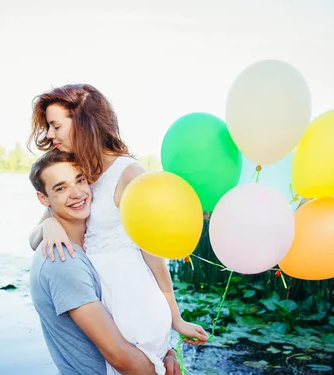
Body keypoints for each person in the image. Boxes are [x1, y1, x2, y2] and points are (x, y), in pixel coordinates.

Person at [27, 84, 208, 375]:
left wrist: (176, 319)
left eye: (55, 125)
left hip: (131, 299)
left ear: (83, 124)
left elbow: (152, 254)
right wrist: (49, 223)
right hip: (104, 302)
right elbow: (35, 238)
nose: (49, 134)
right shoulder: (77, 173)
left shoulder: (129, 175)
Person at [28, 150, 182, 375]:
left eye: (80, 180)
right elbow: (121, 357)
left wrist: (162, 352)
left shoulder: (87, 252)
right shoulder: (63, 260)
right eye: (61, 188)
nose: (76, 193)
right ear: (44, 199)